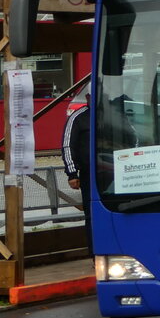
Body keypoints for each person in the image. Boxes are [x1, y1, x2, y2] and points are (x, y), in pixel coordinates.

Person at [62, 88, 93, 254]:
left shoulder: (113, 114)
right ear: (88, 97)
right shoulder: (78, 117)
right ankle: (94, 253)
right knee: (91, 215)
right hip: (90, 175)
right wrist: (72, 173)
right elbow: (68, 145)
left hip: (115, 171)